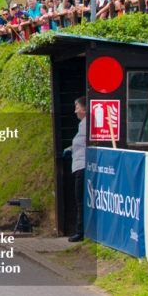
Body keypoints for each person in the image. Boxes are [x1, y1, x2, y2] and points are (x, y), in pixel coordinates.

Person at [63, 97, 87, 242]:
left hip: (83, 166)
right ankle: (81, 230)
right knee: (80, 199)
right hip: (79, 165)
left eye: (77, 107)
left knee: (80, 199)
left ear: (84, 109)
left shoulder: (87, 124)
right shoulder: (83, 125)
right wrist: (70, 149)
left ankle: (80, 231)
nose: (75, 110)